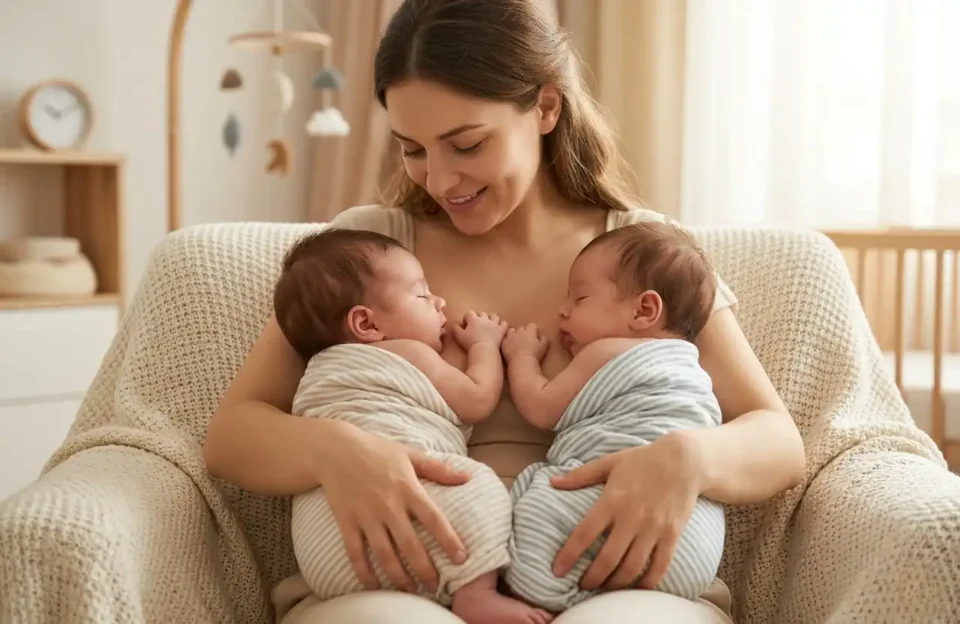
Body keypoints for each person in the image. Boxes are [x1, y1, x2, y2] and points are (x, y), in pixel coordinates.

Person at [202, 0, 806, 621]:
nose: (439, 180)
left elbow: (779, 440)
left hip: (615, 582)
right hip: (401, 581)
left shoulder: (638, 254)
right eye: (412, 150)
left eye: (466, 144)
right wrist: (335, 451)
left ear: (545, 108)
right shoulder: (370, 252)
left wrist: (690, 457)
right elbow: (231, 436)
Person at [273, 227, 552, 624]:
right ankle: (477, 593)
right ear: (367, 325)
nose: (439, 302)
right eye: (422, 295)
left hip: (326, 552)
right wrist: (485, 345)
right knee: (476, 484)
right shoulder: (407, 351)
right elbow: (476, 399)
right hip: (406, 511)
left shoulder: (316, 374)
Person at [501, 222, 725, 612]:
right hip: (691, 546)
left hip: (611, 506)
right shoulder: (693, 369)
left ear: (644, 310)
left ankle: (532, 595)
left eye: (580, 298)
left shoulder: (604, 351)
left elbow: (539, 406)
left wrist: (521, 357)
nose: (562, 310)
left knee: (539, 502)